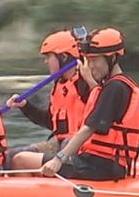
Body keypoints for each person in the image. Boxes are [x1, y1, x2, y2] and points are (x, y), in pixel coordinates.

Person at [40, 28, 139, 181]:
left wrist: (59, 159)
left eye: (95, 60)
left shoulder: (115, 87)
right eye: (88, 61)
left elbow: (89, 128)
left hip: (101, 166)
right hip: (102, 163)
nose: (90, 66)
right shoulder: (115, 85)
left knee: (22, 160)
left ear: (112, 58)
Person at [6, 30, 92, 170]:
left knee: (24, 159)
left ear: (63, 56)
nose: (46, 61)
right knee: (10, 156)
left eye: (48, 56)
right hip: (57, 142)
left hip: (76, 145)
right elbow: (50, 121)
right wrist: (25, 106)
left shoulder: (84, 82)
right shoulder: (58, 84)